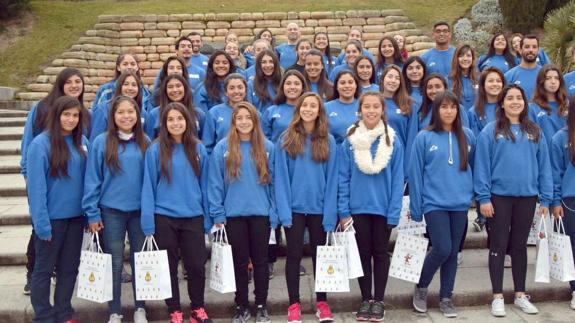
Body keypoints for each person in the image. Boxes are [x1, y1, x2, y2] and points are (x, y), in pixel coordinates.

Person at [474, 84, 553, 317]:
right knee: (498, 245)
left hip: (527, 197)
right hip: (498, 198)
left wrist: (546, 200)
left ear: (525, 103)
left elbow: (544, 167)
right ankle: (497, 296)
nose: (515, 102)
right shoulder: (490, 131)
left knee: (519, 246)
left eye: (519, 98)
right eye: (510, 98)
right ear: (502, 103)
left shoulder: (535, 131)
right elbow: (482, 167)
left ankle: (520, 294)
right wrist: (483, 197)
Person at [140, 102, 212, 323]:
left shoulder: (198, 148)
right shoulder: (155, 150)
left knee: (196, 266)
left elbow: (206, 185)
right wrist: (148, 221)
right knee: (168, 267)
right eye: (170, 119)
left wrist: (208, 217)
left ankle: (197, 308)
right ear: (164, 123)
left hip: (193, 215)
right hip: (164, 216)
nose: (176, 123)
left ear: (187, 122)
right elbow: (148, 187)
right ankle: (174, 310)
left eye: (180, 119)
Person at [338, 91, 404, 322]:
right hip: (357, 208)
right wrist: (344, 211)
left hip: (383, 208)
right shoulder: (350, 139)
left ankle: (379, 300)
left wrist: (394, 210)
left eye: (376, 106)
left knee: (380, 254)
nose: (372, 110)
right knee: (363, 254)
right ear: (360, 110)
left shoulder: (392, 139)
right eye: (367, 106)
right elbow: (343, 177)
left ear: (382, 110)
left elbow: (398, 180)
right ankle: (366, 298)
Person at [83, 96, 149, 323]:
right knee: (115, 262)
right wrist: (92, 211)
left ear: (137, 115)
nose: (126, 116)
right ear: (113, 116)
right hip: (111, 211)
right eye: (120, 112)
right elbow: (92, 179)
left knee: (141, 261)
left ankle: (141, 307)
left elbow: (151, 180)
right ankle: (115, 310)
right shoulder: (101, 142)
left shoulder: (145, 141)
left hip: (140, 212)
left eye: (130, 112)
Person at [208, 102, 276, 323]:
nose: (244, 122)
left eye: (249, 117)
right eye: (240, 118)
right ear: (234, 122)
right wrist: (218, 214)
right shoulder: (222, 148)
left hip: (261, 214)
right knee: (238, 262)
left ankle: (261, 304)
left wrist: (274, 212)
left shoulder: (268, 147)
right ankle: (241, 305)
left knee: (260, 261)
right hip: (233, 215)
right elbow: (215, 183)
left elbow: (275, 183)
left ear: (255, 121)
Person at [20, 67, 85, 295]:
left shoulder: (81, 130)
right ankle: (41, 306)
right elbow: (28, 143)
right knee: (42, 255)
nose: (75, 85)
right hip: (46, 192)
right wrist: (28, 175)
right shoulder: (42, 114)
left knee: (67, 266)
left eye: (79, 81)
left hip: (74, 212)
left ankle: (62, 310)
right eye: (70, 82)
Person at [410, 91, 475, 318]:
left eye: (453, 107)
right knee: (442, 247)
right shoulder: (424, 137)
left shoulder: (467, 135)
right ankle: (421, 286)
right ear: (436, 111)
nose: (448, 111)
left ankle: (446, 296)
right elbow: (416, 174)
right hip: (434, 202)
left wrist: (475, 198)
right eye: (443, 107)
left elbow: (475, 168)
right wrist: (416, 207)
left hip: (460, 202)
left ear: (458, 110)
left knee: (452, 252)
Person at [274, 92, 338, 323]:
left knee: (321, 256)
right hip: (295, 210)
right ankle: (294, 303)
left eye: (313, 106)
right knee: (293, 256)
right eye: (305, 105)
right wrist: (284, 212)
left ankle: (322, 301)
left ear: (319, 111)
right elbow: (280, 178)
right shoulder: (286, 138)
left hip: (320, 209)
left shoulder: (328, 140)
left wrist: (331, 214)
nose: (309, 109)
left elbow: (333, 181)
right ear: (298, 109)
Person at [27, 96, 89, 323]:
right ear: (56, 115)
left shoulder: (82, 142)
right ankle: (43, 315)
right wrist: (41, 223)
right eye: (67, 115)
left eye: (75, 115)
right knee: (44, 270)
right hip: (51, 220)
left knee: (69, 269)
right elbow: (36, 188)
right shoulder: (40, 144)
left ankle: (64, 311)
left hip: (76, 219)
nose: (71, 119)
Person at [468, 67, 506, 232]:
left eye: (498, 81)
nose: (495, 84)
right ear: (482, 85)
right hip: (482, 158)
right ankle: (482, 216)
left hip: (504, 160)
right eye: (490, 80)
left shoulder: (508, 107)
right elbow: (472, 138)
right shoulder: (474, 111)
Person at [550, 98, 575, 311]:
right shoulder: (561, 138)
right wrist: (555, 200)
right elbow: (555, 173)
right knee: (573, 248)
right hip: (570, 200)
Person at [379, 65, 418, 174]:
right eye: (390, 76)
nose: (393, 80)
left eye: (397, 78)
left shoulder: (409, 104)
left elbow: (412, 137)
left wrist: (407, 167)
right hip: (377, 157)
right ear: (382, 79)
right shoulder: (374, 101)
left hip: (399, 158)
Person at [91, 71, 151, 141]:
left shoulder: (143, 113)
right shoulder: (103, 109)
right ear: (119, 86)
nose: (130, 88)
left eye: (134, 85)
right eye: (126, 84)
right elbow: (95, 141)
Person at [145, 74, 205, 140]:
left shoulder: (199, 114)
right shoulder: (154, 114)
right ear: (165, 90)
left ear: (185, 88)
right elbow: (149, 141)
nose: (175, 90)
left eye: (178, 86)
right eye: (170, 87)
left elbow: (204, 140)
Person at [202, 74, 248, 152]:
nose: (236, 91)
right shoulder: (214, 112)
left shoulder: (255, 113)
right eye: (231, 88)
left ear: (246, 91)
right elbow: (207, 145)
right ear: (226, 92)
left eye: (240, 87)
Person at [262, 70, 309, 142]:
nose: (292, 87)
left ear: (302, 88)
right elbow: (265, 142)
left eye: (296, 84)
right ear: (282, 87)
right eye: (288, 83)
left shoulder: (309, 112)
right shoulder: (271, 111)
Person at [530, 65, 569, 149]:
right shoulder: (532, 108)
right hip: (545, 156)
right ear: (541, 81)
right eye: (548, 78)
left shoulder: (568, 106)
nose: (553, 82)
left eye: (556, 78)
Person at [325, 70, 360, 143]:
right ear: (336, 87)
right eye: (342, 83)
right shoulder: (326, 107)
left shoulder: (364, 106)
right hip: (335, 152)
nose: (347, 86)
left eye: (350, 82)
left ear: (356, 85)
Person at [504, 35, 543, 101]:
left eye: (534, 47)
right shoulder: (509, 76)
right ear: (520, 50)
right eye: (527, 47)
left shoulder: (545, 75)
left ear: (538, 50)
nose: (531, 50)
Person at [448, 44, 479, 110]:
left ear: (473, 58)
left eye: (468, 56)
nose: (465, 59)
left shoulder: (480, 79)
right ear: (456, 58)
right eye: (461, 56)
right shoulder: (448, 80)